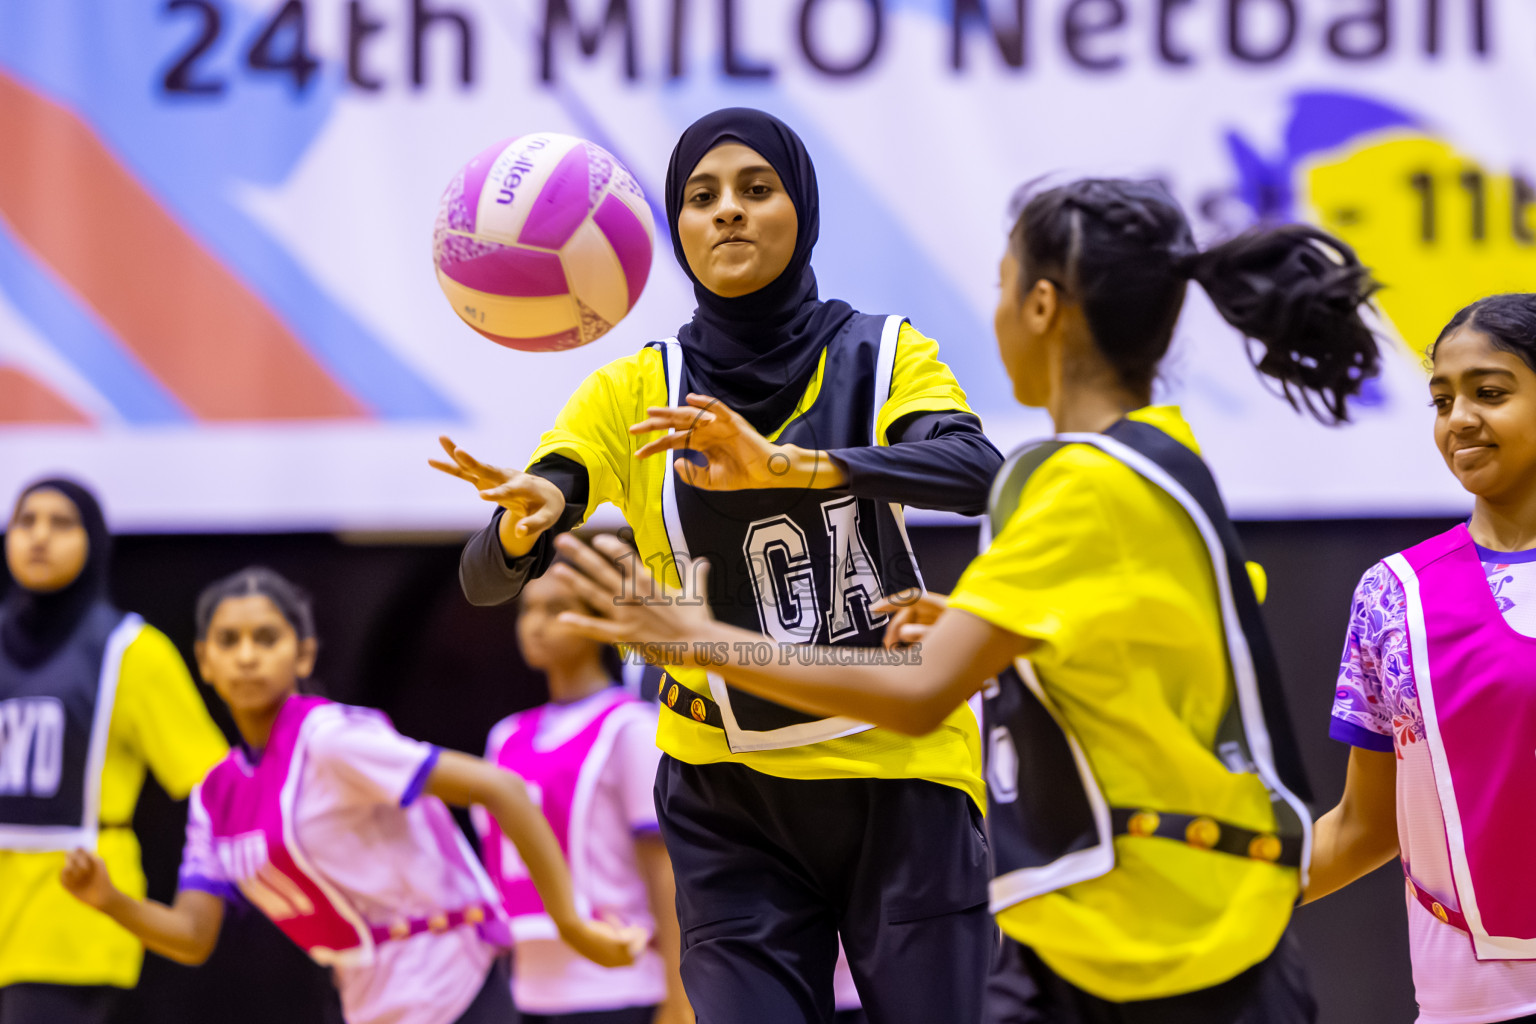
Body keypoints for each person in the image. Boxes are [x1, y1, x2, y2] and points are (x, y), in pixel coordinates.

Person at [548, 178, 1384, 1023]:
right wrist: (1000, 638)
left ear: (1043, 307)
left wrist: (707, 641)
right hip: (1157, 926)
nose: (994, 311)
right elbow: (1145, 641)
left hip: (1166, 947)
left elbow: (916, 696)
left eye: (1001, 285)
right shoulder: (1159, 455)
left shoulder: (1076, 488)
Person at [432, 107, 1004, 1024]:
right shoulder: (630, 391)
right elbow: (484, 576)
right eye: (702, 198)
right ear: (678, 230)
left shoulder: (885, 352)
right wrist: (521, 526)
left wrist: (797, 468)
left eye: (755, 189)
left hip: (900, 776)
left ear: (801, 208)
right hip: (725, 795)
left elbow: (979, 475)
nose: (727, 212)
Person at [57, 566, 642, 1024]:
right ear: (204, 661)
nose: (247, 655)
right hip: (368, 996)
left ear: (303, 653)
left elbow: (499, 786)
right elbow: (192, 935)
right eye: (228, 640)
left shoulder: (331, 739)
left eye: (266, 637)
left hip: (454, 979)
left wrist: (571, 921)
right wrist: (109, 899)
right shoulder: (216, 794)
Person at [1306, 294, 1536, 1024]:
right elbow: (1364, 825)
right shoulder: (1391, 597)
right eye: (1442, 399)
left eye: (1490, 393)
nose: (1459, 418)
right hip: (1464, 1007)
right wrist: (1204, 903)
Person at [0, 478, 228, 1024]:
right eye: (27, 522)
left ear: (95, 542)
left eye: (61, 524)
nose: (39, 537)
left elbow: (217, 785)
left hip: (72, 919)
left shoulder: (133, 653)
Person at [476, 565, 690, 1023]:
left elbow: (665, 870)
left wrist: (679, 997)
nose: (535, 624)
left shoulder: (629, 727)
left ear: (599, 620)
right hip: (530, 990)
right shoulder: (505, 736)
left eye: (556, 609)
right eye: (527, 609)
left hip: (620, 986)